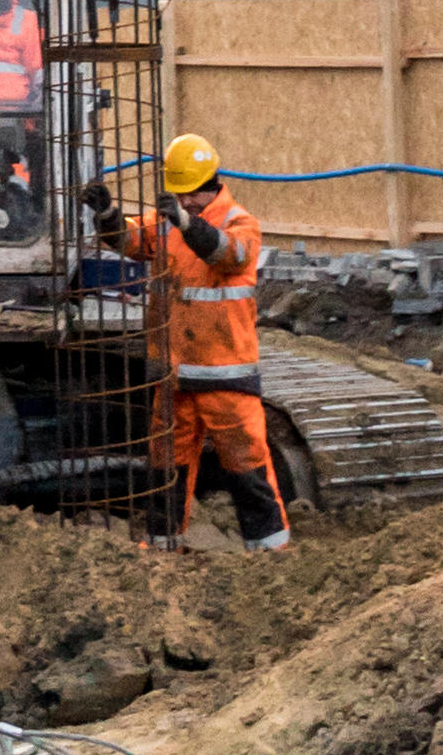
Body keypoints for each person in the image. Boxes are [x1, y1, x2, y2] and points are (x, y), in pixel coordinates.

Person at [82, 133, 290, 554]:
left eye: (192, 196)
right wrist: (107, 214)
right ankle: (162, 550)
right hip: (173, 376)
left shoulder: (238, 222)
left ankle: (270, 554)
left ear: (211, 185)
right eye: (181, 196)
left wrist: (185, 221)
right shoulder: (169, 223)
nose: (187, 202)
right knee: (164, 470)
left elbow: (226, 254)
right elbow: (129, 239)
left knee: (247, 469)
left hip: (225, 377)